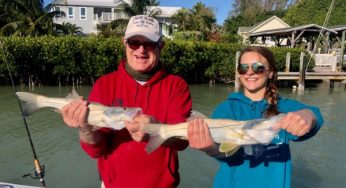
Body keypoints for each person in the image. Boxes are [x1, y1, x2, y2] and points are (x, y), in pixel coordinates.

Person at [61, 15, 192, 188]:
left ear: (161, 45)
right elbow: (97, 150)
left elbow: (182, 142)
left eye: (150, 43)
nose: (141, 49)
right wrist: (85, 128)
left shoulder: (177, 86)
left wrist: (155, 130)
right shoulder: (104, 84)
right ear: (124, 43)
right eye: (134, 42)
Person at [187, 46, 324, 188]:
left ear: (270, 72)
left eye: (258, 67)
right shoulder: (226, 109)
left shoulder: (284, 107)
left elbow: (315, 116)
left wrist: (307, 116)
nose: (250, 72)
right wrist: (209, 148)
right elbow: (222, 153)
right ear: (238, 73)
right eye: (243, 68)